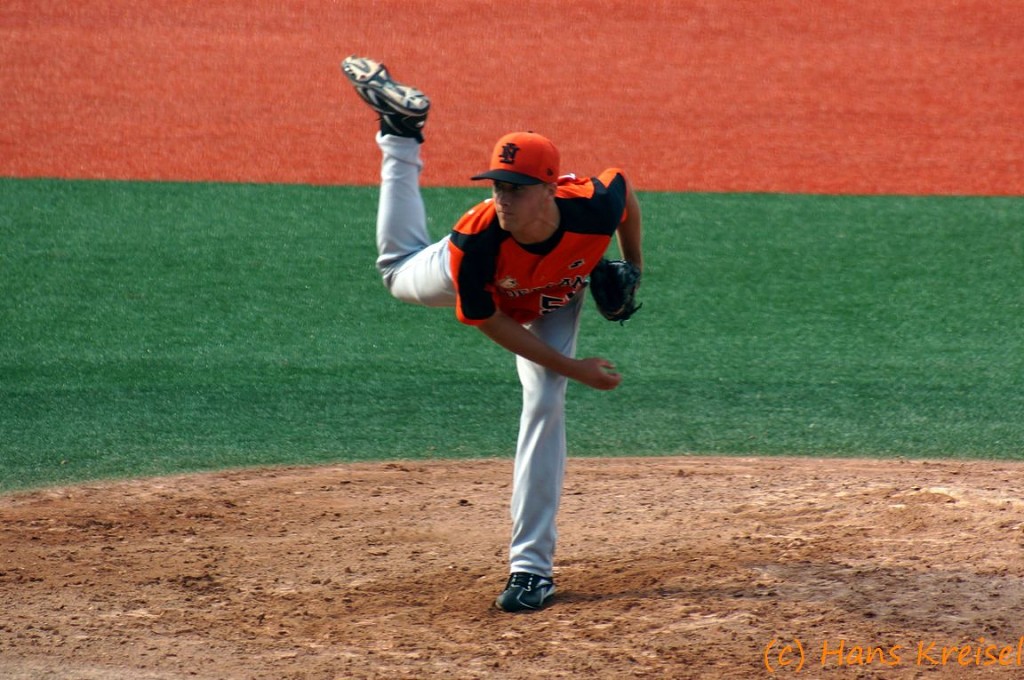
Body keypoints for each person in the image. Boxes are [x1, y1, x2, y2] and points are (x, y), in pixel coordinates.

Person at [341, 56, 644, 612]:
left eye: (517, 188)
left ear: (549, 188)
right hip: (485, 289)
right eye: (499, 185)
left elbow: (624, 195)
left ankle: (531, 571)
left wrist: (634, 268)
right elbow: (490, 320)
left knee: (544, 400)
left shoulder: (591, 209)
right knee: (396, 272)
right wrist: (575, 368)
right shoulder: (477, 241)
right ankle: (401, 134)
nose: (503, 197)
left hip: (554, 297)